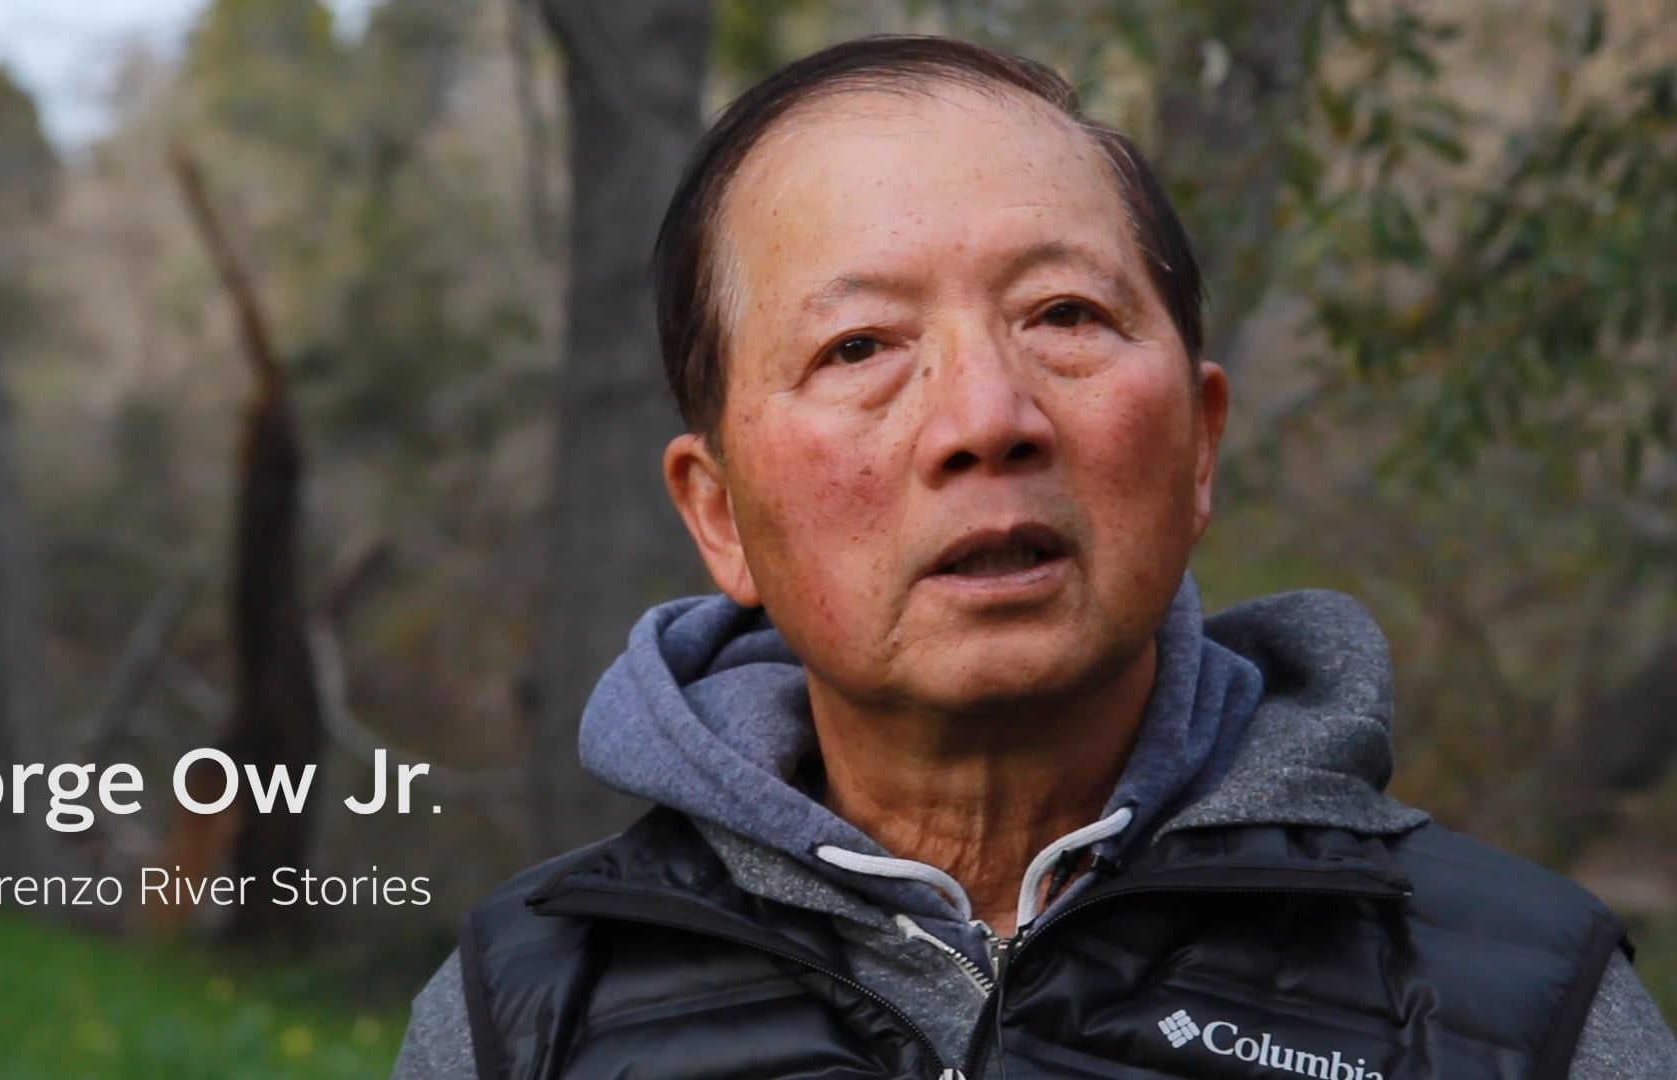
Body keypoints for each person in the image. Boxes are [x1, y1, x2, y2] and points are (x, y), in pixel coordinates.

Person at [394, 35, 1677, 1079]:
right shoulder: (525, 1015)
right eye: (859, 349)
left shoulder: (1528, 1009)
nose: (984, 419)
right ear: (719, 513)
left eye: (1064, 315)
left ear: (1198, 449)